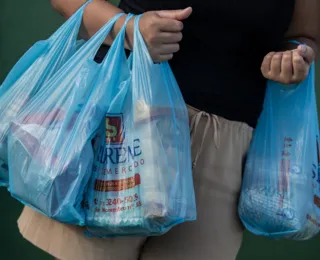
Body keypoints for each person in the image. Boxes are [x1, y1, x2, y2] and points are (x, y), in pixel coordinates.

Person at [17, 0, 319, 259]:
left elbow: (303, 36)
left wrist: (294, 58)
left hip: (221, 152)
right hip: (122, 127)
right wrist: (130, 29)